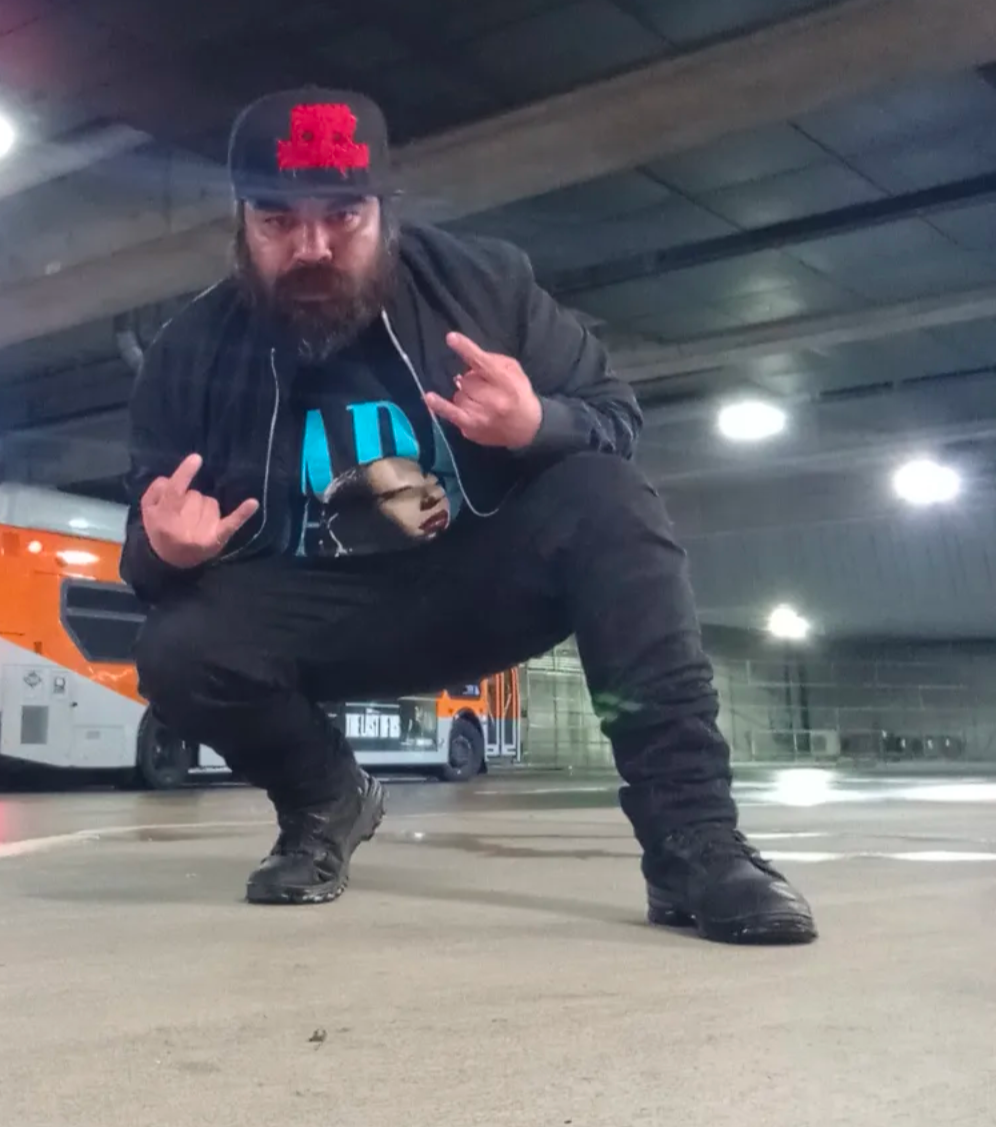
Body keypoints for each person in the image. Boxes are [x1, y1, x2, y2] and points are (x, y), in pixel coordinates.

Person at [120, 87, 816, 946]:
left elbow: (615, 419)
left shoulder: (488, 286)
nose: (312, 247)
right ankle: (325, 801)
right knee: (178, 648)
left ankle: (692, 841)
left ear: (385, 210)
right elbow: (140, 559)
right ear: (241, 223)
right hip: (315, 610)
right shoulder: (187, 354)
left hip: (478, 583)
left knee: (607, 498)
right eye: (277, 221)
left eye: (343, 216)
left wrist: (538, 425)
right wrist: (166, 551)